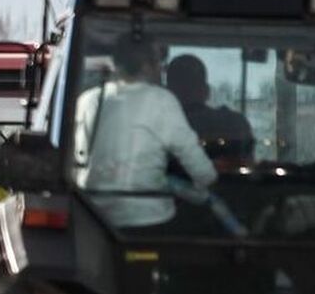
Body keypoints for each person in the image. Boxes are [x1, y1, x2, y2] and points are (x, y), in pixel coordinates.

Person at [74, 34, 217, 229]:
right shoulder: (161, 100)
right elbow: (190, 153)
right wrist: (209, 180)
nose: (160, 69)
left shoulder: (88, 101)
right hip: (149, 217)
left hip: (96, 215)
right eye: (159, 62)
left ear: (117, 62)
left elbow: (77, 158)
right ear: (146, 66)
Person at [165, 54, 255, 171]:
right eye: (183, 86)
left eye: (190, 86)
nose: (186, 92)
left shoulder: (155, 127)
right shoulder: (234, 124)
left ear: (168, 92)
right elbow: (248, 169)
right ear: (206, 91)